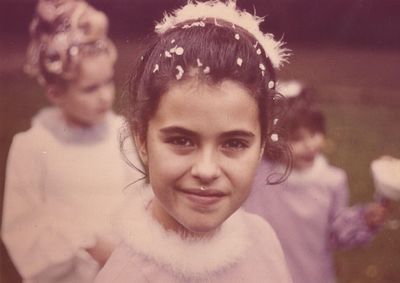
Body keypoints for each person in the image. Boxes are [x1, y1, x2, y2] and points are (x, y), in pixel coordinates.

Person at [94, 1, 293, 282]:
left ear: (261, 147)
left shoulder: (263, 240)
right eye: (181, 140)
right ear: (141, 139)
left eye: (234, 143)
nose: (207, 170)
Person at [1, 0, 141, 282]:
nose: (104, 96)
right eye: (90, 89)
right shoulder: (32, 146)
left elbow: (142, 197)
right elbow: (21, 228)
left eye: (108, 82)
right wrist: (87, 244)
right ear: (56, 93)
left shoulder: (120, 133)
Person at [244, 79, 390, 283]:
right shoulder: (259, 174)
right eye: (296, 138)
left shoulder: (331, 181)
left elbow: (337, 233)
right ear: (273, 141)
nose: (309, 144)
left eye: (314, 133)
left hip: (310, 274)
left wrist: (364, 219)